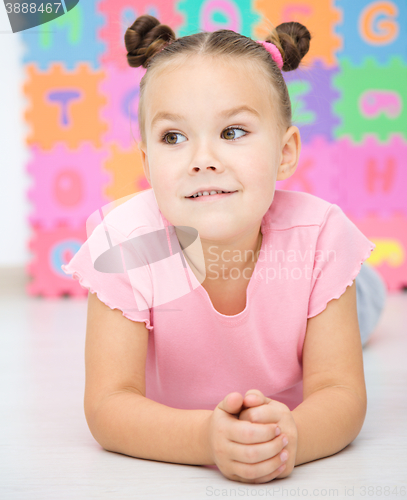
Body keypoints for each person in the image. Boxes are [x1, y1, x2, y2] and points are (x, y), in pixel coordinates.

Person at [61, 15, 387, 483]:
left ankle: (365, 287)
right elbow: (108, 405)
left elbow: (341, 392)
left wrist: (290, 436)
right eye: (174, 137)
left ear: (285, 152)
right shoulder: (124, 243)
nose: (203, 160)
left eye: (233, 132)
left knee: (364, 309)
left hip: (313, 283)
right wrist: (204, 439)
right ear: (147, 162)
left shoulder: (321, 240)